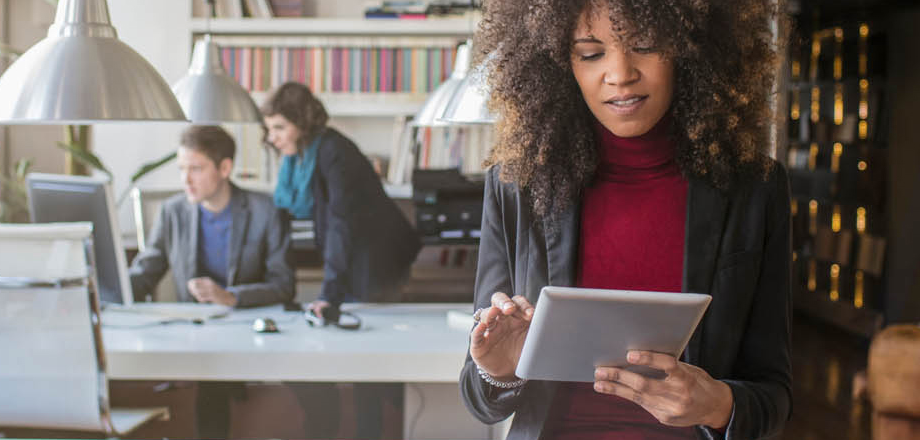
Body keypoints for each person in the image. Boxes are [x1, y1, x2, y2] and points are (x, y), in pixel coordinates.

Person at [460, 1, 792, 440]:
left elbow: (774, 393)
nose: (619, 74)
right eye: (591, 52)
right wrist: (500, 371)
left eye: (646, 45)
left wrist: (716, 404)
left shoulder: (755, 187)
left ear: (691, 48)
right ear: (559, 63)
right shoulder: (515, 185)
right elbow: (479, 395)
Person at [261, 82, 422, 439]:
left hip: (377, 259)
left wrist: (329, 293)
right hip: (356, 255)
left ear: (301, 122)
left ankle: (432, 405)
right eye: (269, 128)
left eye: (279, 128)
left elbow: (340, 223)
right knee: (365, 359)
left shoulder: (334, 152)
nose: (271, 137)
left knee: (369, 360)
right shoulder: (306, 154)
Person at [128, 125, 295, 438]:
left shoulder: (266, 211)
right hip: (193, 333)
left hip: (245, 327)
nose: (185, 180)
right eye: (182, 170)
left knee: (213, 380)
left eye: (196, 169)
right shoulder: (173, 211)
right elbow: (146, 270)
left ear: (225, 168)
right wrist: (112, 292)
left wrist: (231, 296)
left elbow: (284, 284)